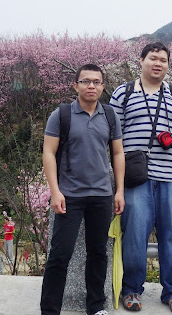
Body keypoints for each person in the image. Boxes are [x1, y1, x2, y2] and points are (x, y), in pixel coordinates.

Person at [109, 42, 172, 315]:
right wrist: (116, 182)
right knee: (134, 234)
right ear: (141, 60)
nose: (158, 64)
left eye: (164, 60)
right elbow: (111, 137)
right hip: (135, 176)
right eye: (153, 58)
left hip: (170, 174)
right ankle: (131, 288)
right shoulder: (123, 92)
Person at [40, 63, 126, 315]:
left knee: (98, 253)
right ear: (75, 85)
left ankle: (96, 306)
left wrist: (119, 191)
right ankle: (50, 309)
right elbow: (48, 152)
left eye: (96, 82)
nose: (91, 86)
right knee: (59, 255)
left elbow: (118, 153)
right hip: (70, 196)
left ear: (102, 86)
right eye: (86, 81)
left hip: (101, 195)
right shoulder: (62, 114)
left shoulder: (110, 115)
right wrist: (54, 191)